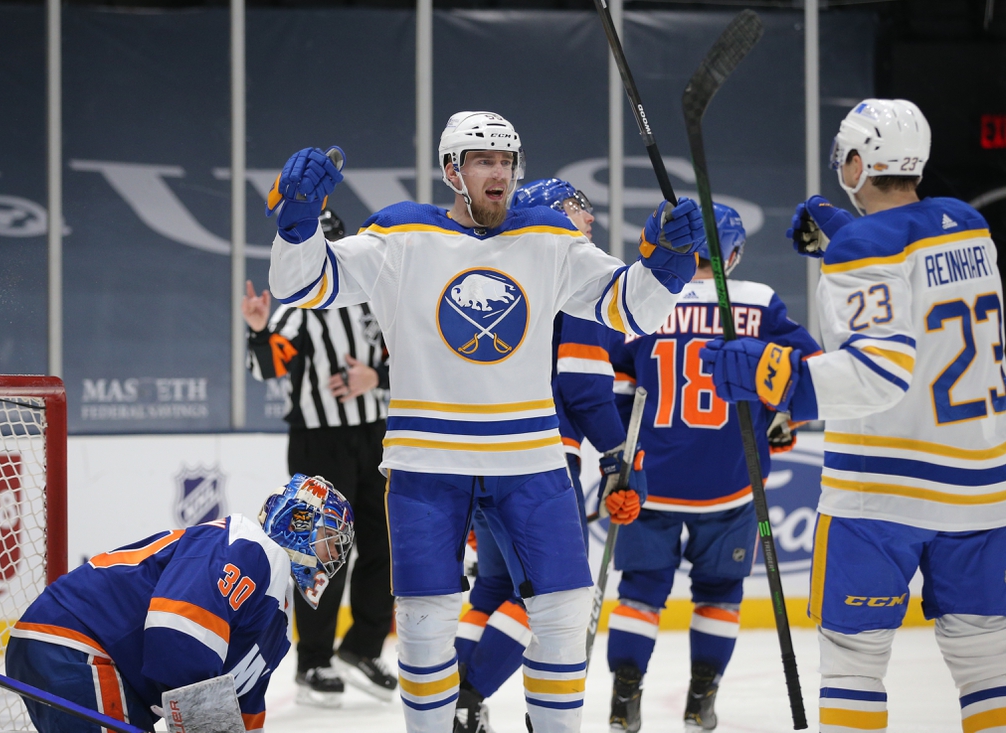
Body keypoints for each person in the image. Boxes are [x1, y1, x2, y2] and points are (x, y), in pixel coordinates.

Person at [266, 110, 707, 733]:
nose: (498, 172)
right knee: (424, 624)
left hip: (529, 459)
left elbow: (631, 309)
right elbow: (302, 283)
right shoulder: (400, 235)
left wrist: (668, 262)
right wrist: (297, 222)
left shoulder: (550, 237)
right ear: (453, 170)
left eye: (506, 161)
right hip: (425, 464)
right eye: (483, 161)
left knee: (563, 610)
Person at [701, 98, 1006, 733]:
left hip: (881, 493)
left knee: (854, 663)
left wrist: (773, 375)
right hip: (980, 492)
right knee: (986, 666)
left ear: (859, 161)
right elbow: (922, 283)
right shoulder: (969, 223)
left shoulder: (862, 248)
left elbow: (879, 371)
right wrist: (845, 229)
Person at [606, 203, 820, 732]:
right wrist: (779, 417)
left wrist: (620, 457)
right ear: (734, 251)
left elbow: (611, 384)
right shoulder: (758, 302)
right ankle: (702, 699)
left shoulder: (648, 299)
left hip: (650, 478)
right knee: (720, 592)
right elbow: (809, 371)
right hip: (730, 478)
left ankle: (622, 699)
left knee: (640, 590)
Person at [452, 177, 644, 733]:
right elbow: (583, 384)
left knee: (492, 587)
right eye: (578, 210)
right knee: (552, 599)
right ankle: (473, 697)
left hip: (477, 456)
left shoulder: (496, 272)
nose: (589, 221)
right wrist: (616, 456)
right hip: (540, 465)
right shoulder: (572, 273)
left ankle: (452, 702)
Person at [4, 474, 354, 733]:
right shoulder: (248, 547)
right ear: (298, 524)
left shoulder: (278, 620)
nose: (336, 554)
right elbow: (177, 630)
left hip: (101, 661)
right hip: (77, 641)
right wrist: (204, 723)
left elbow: (241, 708)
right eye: (330, 537)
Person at [243, 208, 396, 706]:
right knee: (321, 550)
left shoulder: (372, 300)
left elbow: (413, 355)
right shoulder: (295, 307)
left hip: (374, 433)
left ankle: (363, 647)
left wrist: (376, 378)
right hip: (320, 438)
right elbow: (268, 366)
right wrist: (261, 331)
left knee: (384, 542)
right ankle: (313, 661)